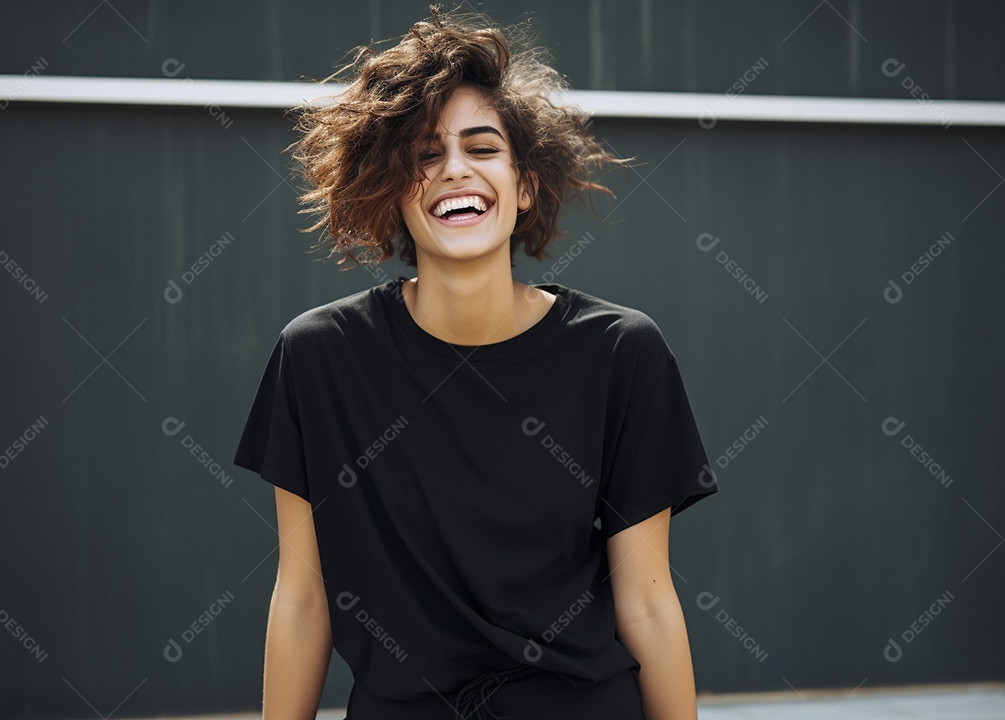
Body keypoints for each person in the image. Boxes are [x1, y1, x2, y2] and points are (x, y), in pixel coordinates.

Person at [232, 7, 718, 719]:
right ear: (394, 194)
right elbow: (304, 597)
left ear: (525, 187)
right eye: (424, 155)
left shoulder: (621, 352)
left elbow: (646, 600)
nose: (453, 168)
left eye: (482, 147)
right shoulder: (319, 357)